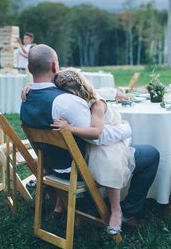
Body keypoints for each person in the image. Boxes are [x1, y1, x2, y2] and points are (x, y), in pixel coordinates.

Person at [20, 44, 159, 232]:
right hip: (80, 169)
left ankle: (92, 205)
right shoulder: (66, 102)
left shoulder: (26, 99)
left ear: (29, 69)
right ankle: (126, 212)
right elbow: (98, 136)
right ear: (55, 66)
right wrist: (126, 129)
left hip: (53, 168)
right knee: (151, 154)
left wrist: (109, 93)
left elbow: (81, 90)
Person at [51, 68, 135, 235]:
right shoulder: (78, 103)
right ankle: (70, 202)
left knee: (110, 161)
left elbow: (97, 132)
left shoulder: (96, 104)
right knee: (99, 158)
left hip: (110, 141)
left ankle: (116, 210)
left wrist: (70, 128)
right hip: (95, 142)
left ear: (76, 92)